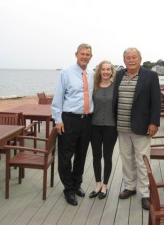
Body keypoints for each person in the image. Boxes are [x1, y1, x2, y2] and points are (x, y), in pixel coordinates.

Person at [112, 47, 161, 210]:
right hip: (122, 126)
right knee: (126, 159)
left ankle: (145, 193)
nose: (131, 60)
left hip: (142, 127)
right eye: (127, 57)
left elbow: (156, 101)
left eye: (134, 57)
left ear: (140, 59)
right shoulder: (118, 75)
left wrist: (154, 123)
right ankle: (130, 187)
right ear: (123, 60)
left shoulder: (151, 76)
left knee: (142, 161)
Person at [51, 43, 94, 206]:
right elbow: (58, 98)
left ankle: (77, 185)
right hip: (69, 119)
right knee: (65, 157)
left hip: (87, 120)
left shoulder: (92, 74)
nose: (84, 56)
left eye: (87, 54)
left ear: (91, 57)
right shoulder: (66, 72)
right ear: (76, 55)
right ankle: (68, 189)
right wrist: (58, 120)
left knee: (81, 156)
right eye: (82, 54)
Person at [89, 60, 117, 200]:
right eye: (103, 69)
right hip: (94, 126)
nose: (105, 72)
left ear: (111, 71)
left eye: (108, 69)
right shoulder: (93, 87)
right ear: (99, 71)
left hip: (111, 127)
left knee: (107, 157)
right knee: (96, 156)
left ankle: (105, 185)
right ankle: (98, 184)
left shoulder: (115, 87)